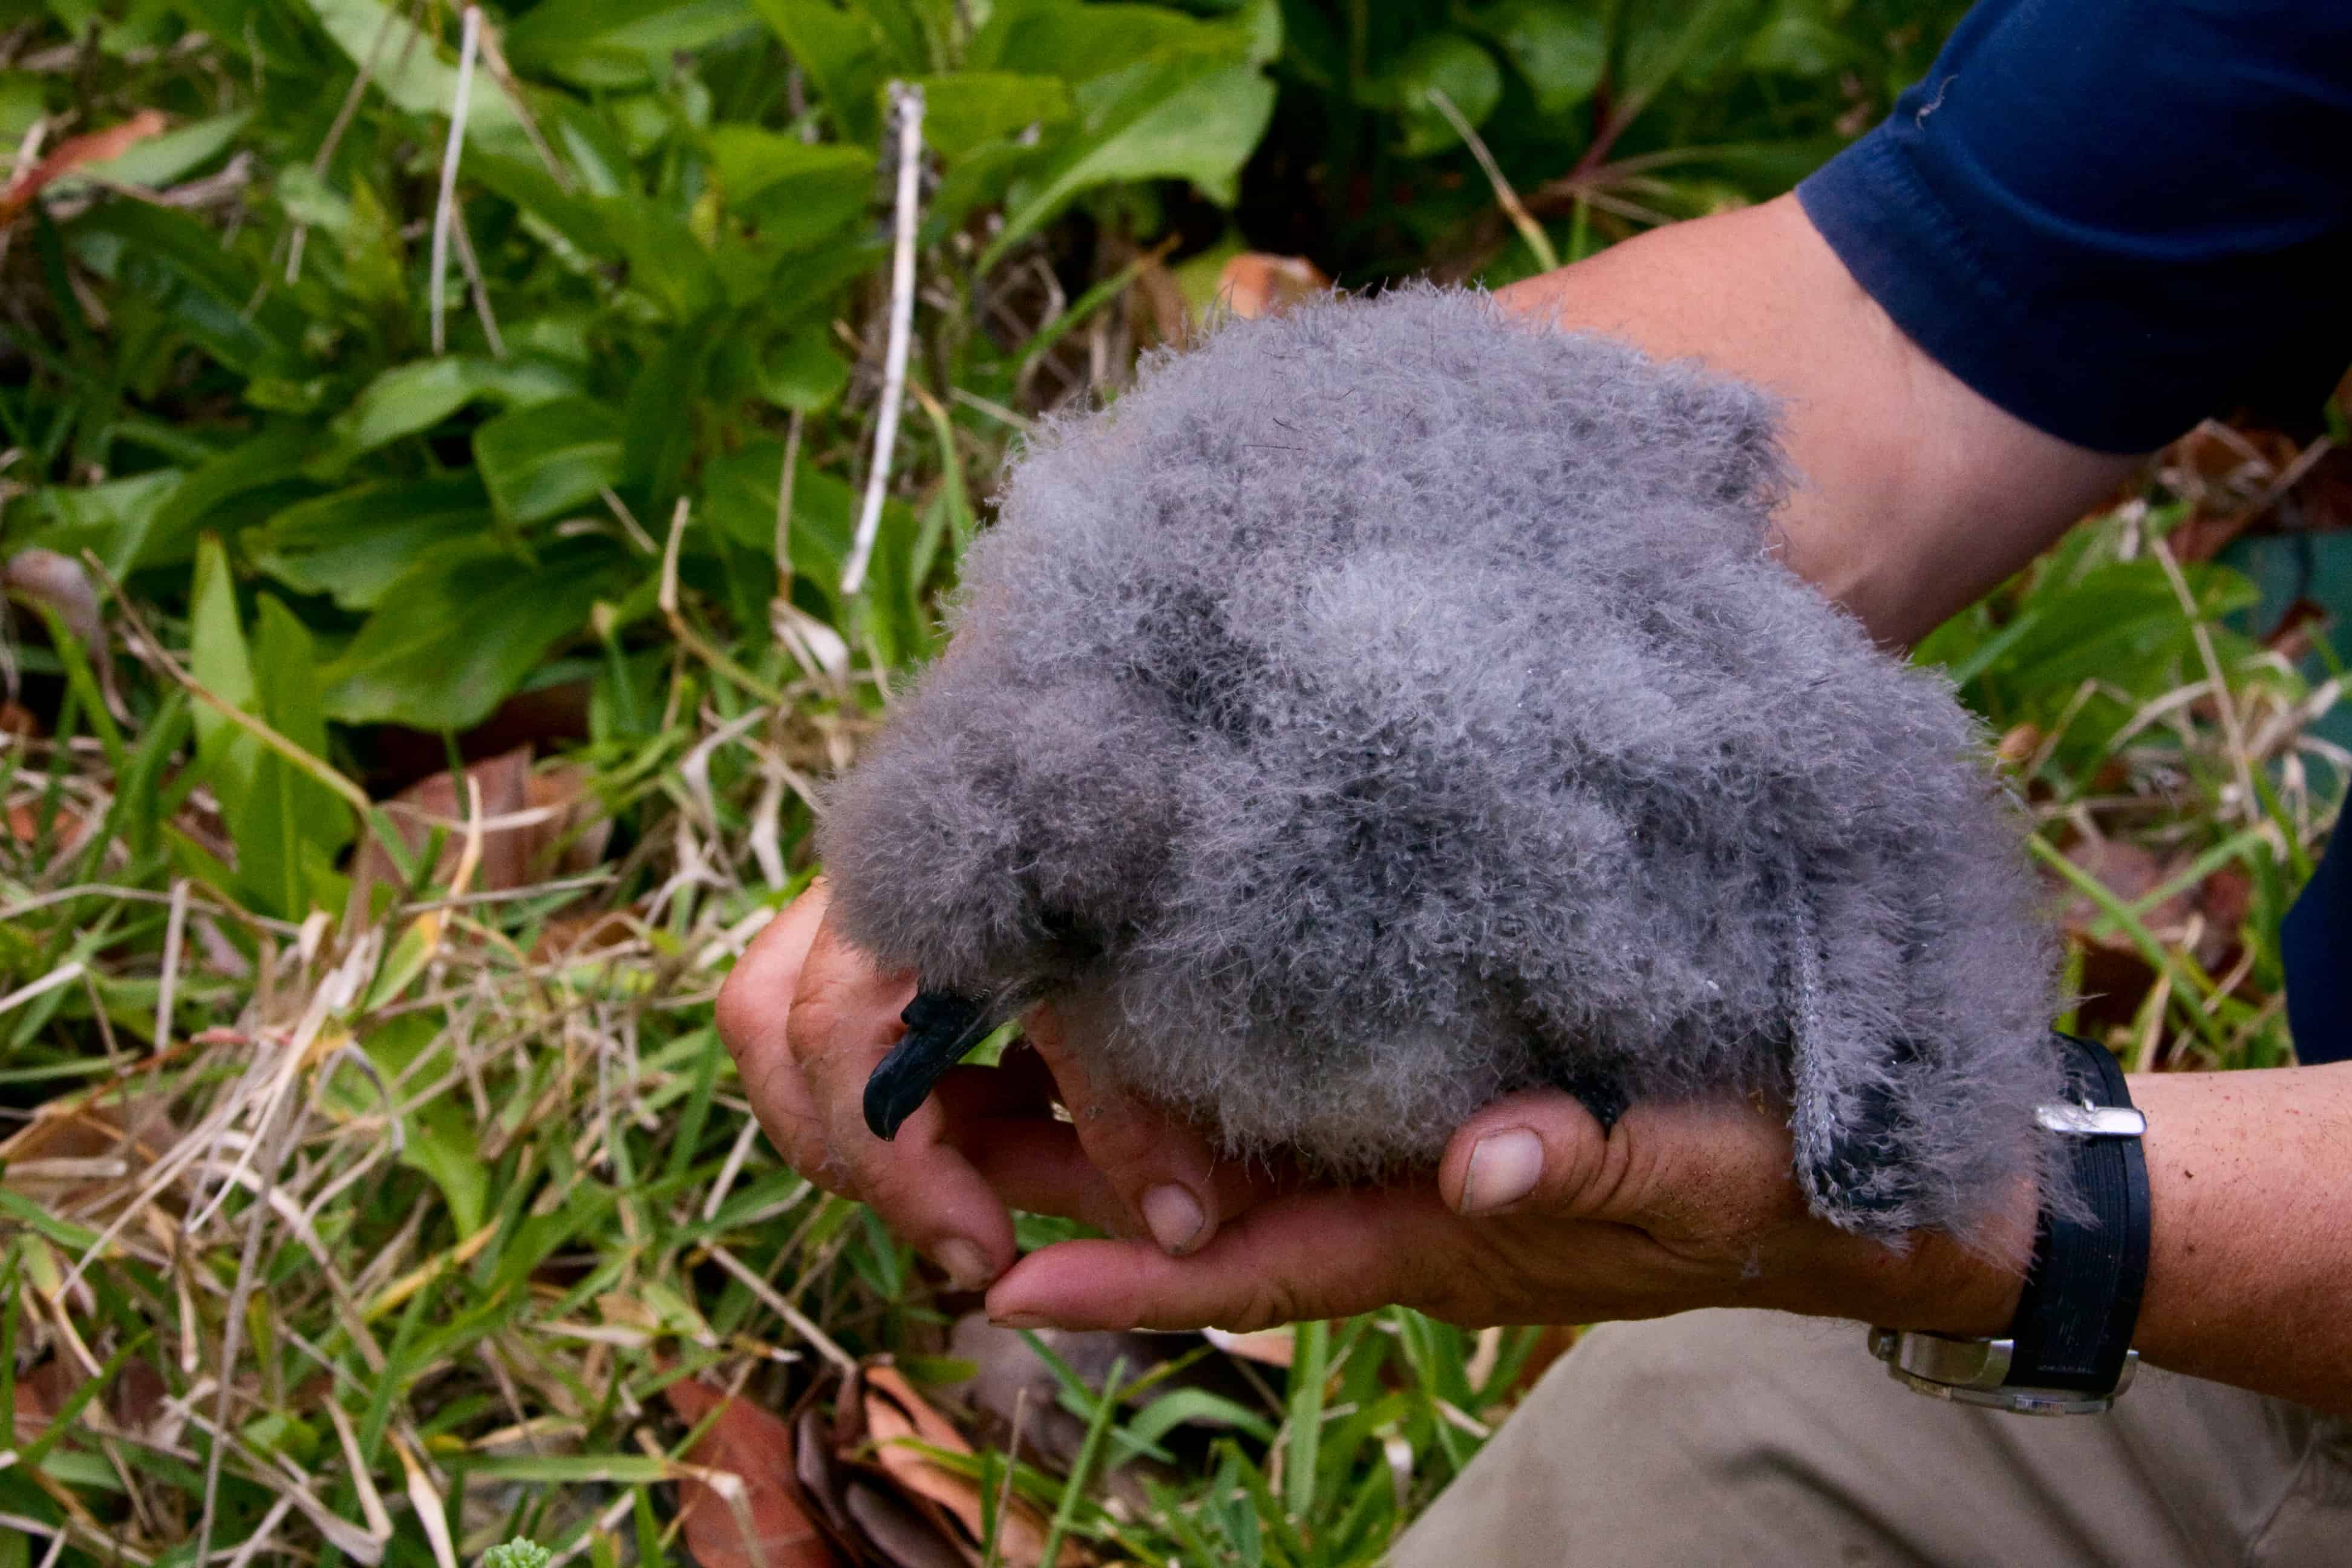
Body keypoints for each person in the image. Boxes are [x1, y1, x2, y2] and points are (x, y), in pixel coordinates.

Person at [717, 1, 2352, 1559]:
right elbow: (1902, 331)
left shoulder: (1531, 797)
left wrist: (2017, 1221)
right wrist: (1075, 652)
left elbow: (1835, 804)